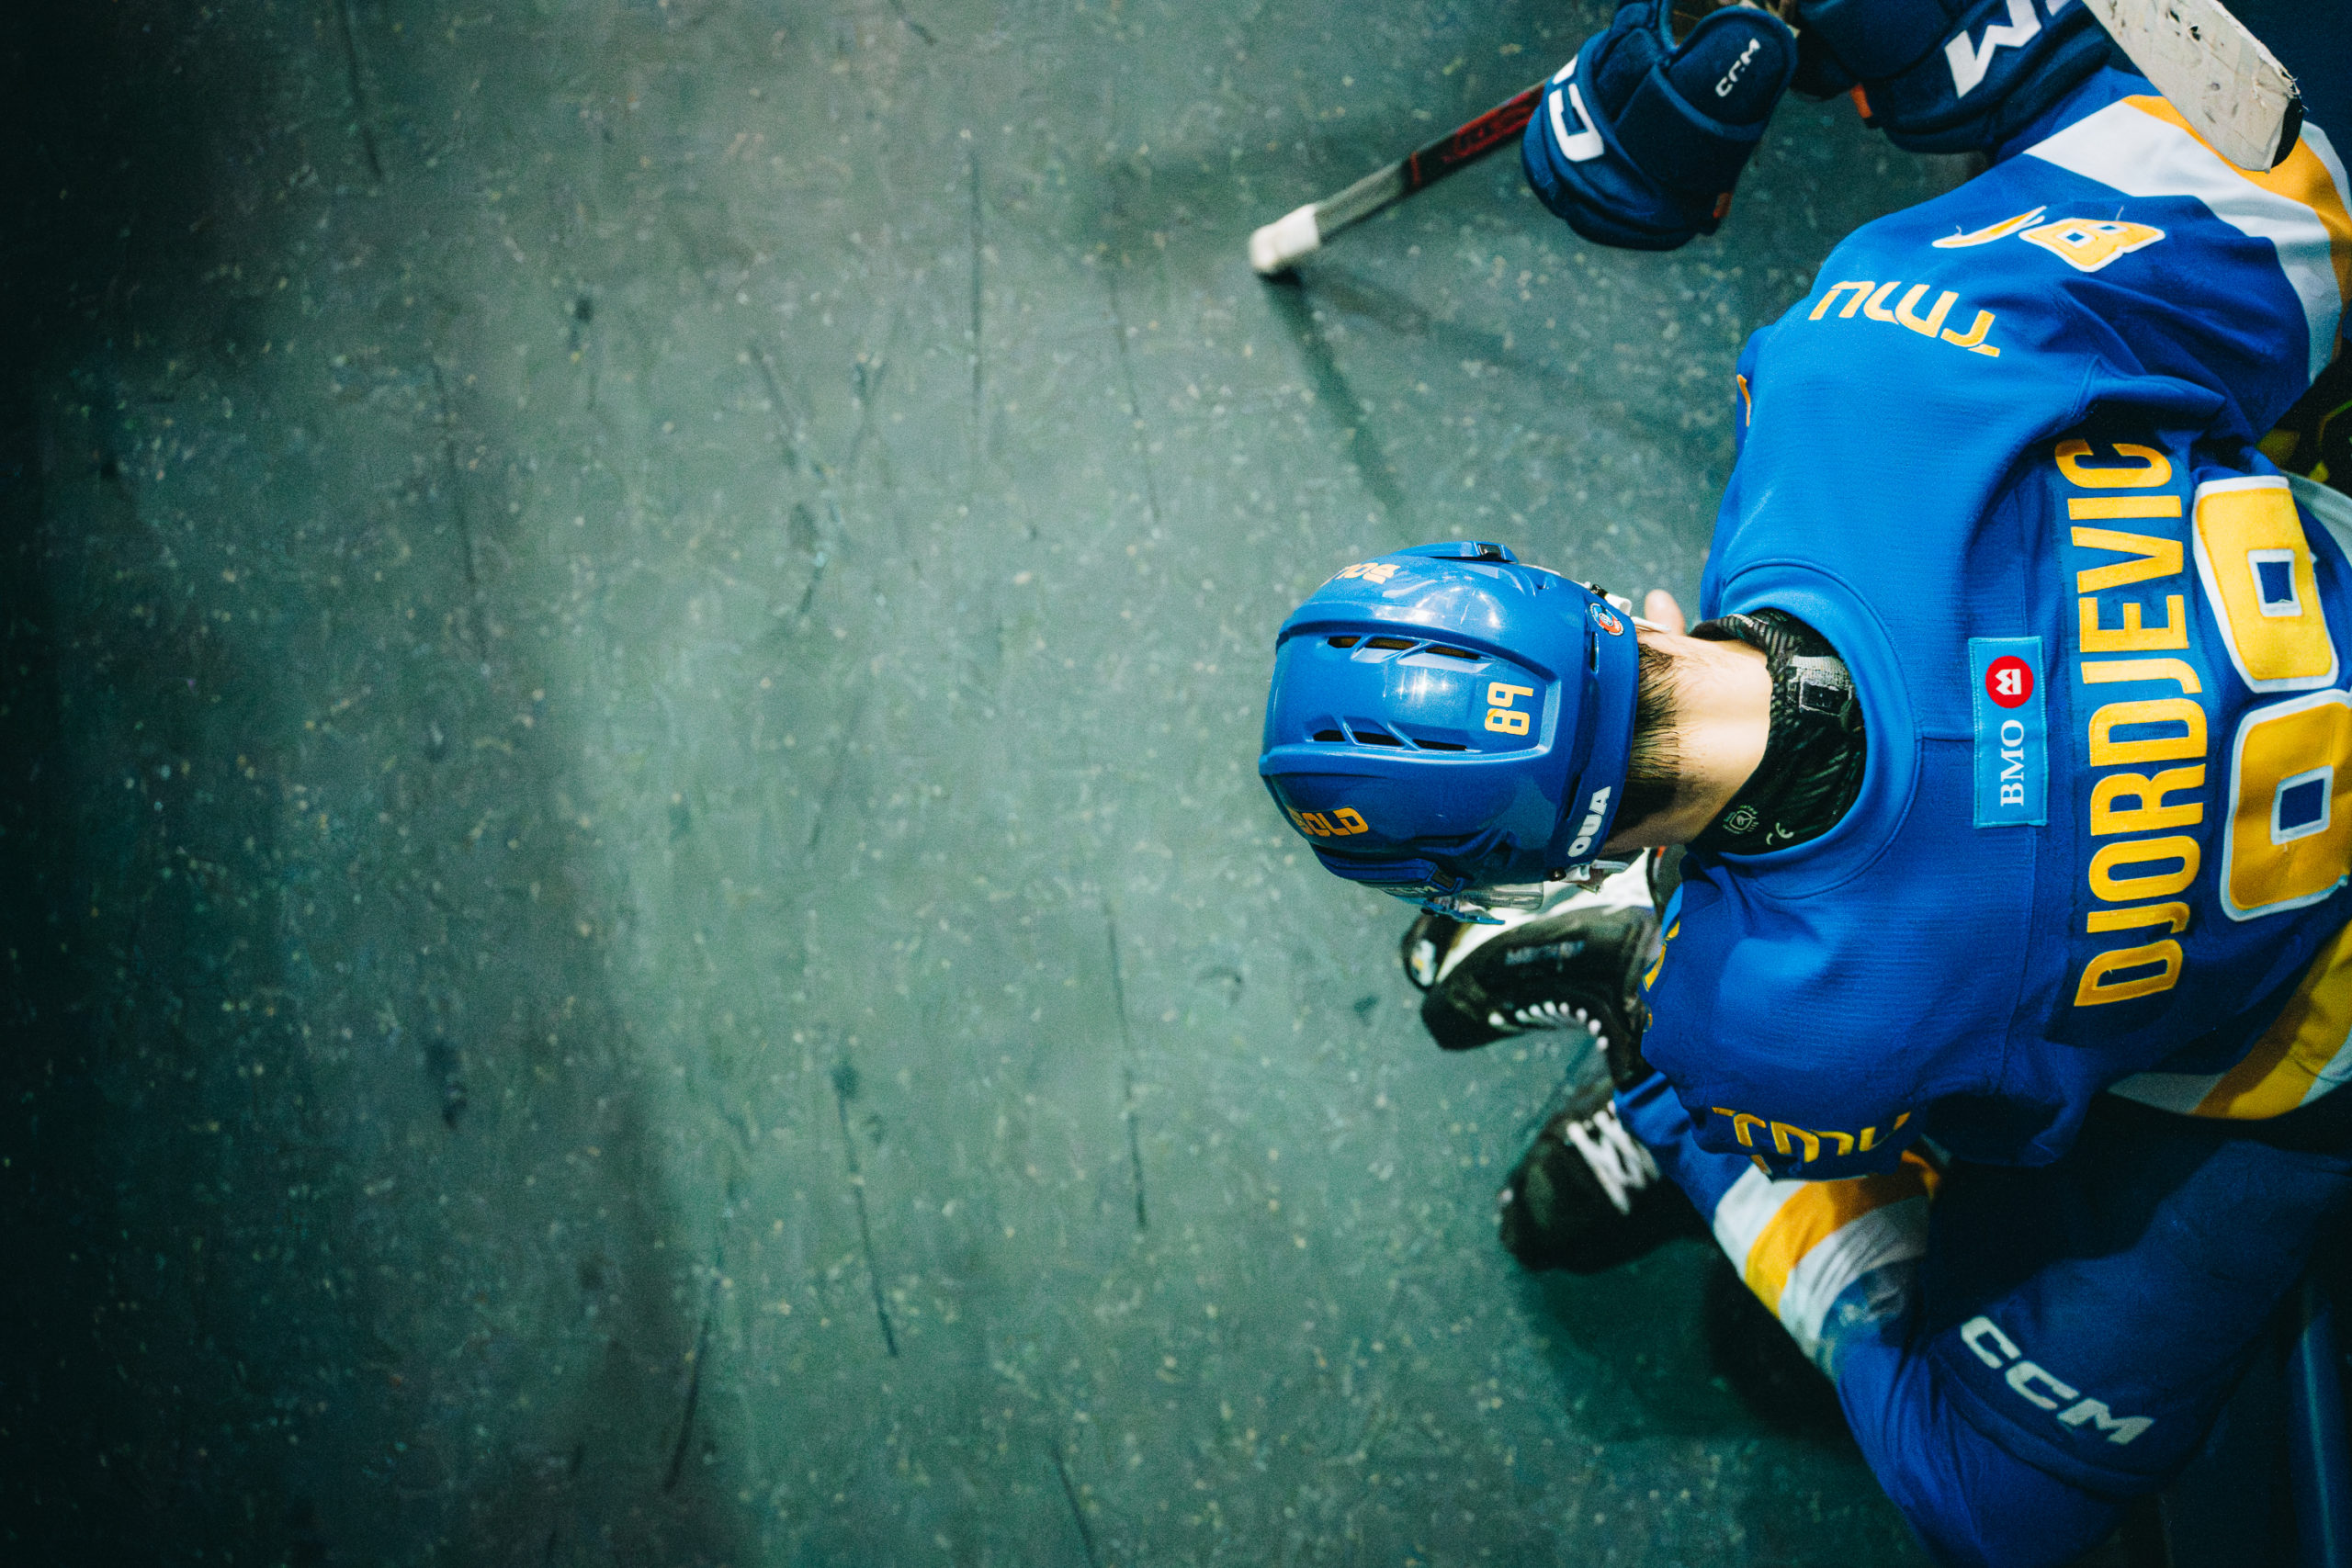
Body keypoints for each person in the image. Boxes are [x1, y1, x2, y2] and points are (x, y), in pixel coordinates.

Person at [1258, 3, 2352, 1562]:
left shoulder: (1751, 1037)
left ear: (1520, 864)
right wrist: (1863, 28)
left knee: (1996, 1494)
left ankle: (1627, 1008)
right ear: (1605, 603)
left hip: (2291, 1048)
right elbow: (2290, 190)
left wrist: (1669, 1045)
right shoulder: (1856, 350)